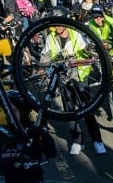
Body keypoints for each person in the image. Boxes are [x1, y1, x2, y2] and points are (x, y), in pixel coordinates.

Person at [41, 24, 106, 156]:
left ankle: (97, 141)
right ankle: (77, 142)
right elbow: (44, 56)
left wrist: (75, 59)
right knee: (69, 111)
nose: (57, 28)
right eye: (55, 25)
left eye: (59, 25)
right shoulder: (50, 38)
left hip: (80, 76)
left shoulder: (77, 35)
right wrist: (43, 66)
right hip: (63, 79)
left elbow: (89, 53)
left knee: (87, 109)